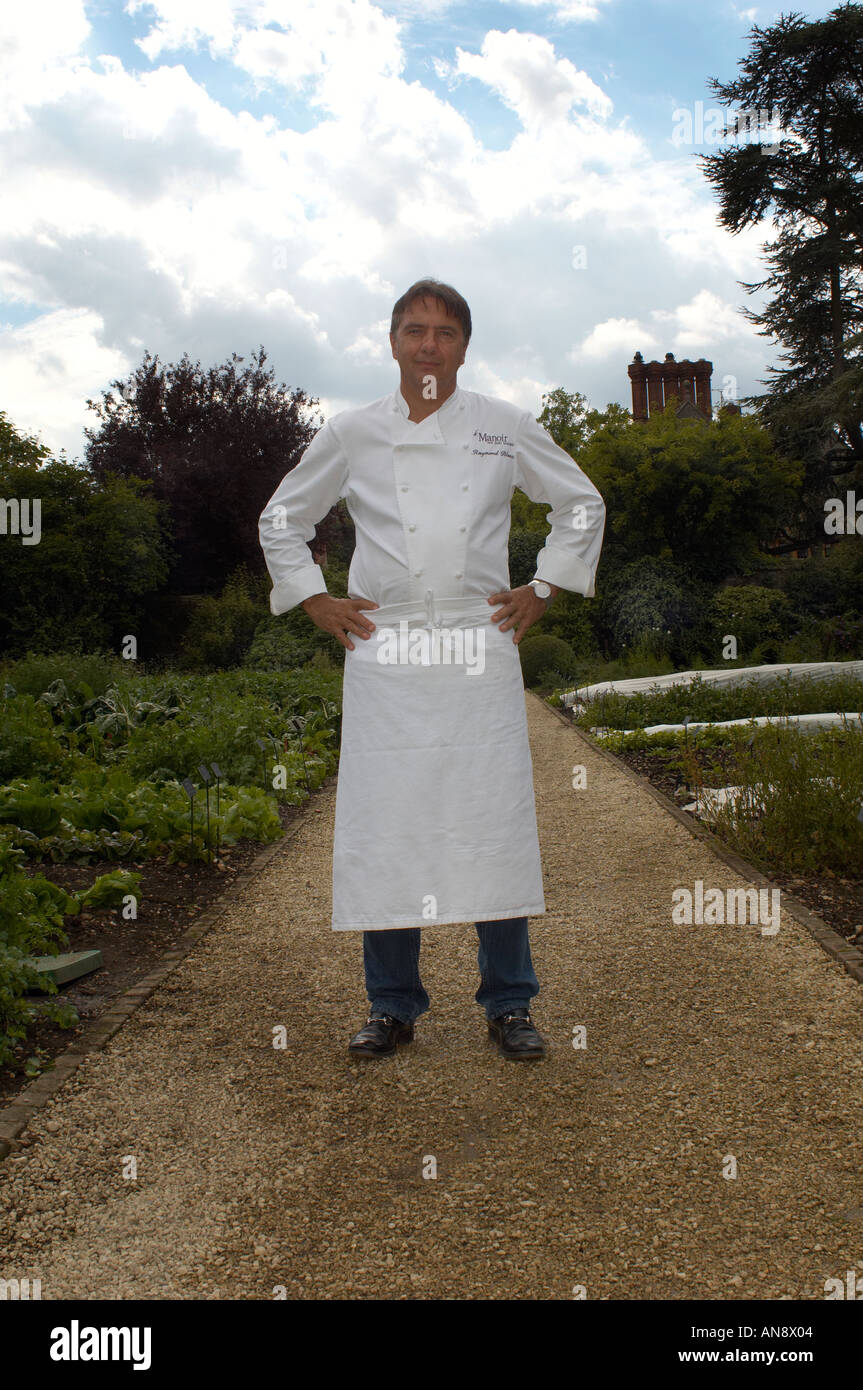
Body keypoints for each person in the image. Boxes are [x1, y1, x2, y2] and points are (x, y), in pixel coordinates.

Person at [258, 279, 605, 1061]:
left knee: (492, 821)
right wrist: (314, 599)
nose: (428, 344)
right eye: (414, 330)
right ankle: (391, 1006)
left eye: (444, 332)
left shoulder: (502, 426)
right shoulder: (351, 433)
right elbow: (282, 519)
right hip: (388, 646)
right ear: (391, 342)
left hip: (476, 642)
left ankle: (509, 1004)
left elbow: (579, 503)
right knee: (388, 829)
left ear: (463, 346)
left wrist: (544, 587)